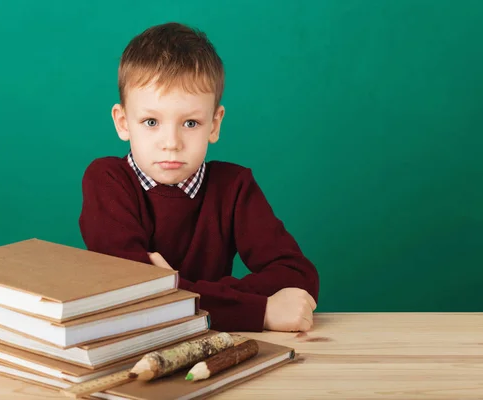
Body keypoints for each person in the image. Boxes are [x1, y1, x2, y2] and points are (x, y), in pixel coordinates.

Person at [78, 22, 319, 333]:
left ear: (214, 124)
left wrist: (173, 289)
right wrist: (259, 311)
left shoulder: (233, 187)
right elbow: (136, 294)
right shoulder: (107, 180)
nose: (171, 142)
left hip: (214, 346)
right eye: (151, 121)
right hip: (129, 345)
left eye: (190, 123)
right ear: (123, 122)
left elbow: (299, 275)